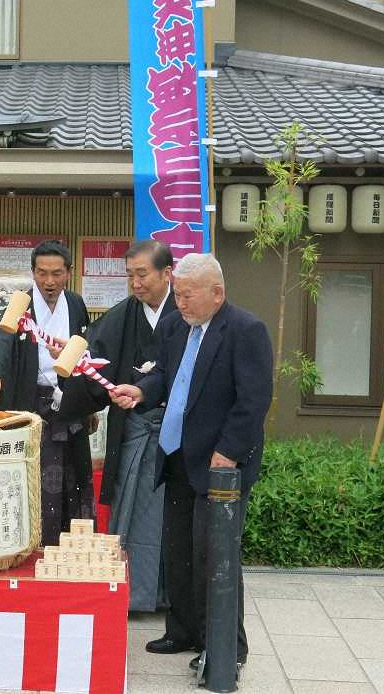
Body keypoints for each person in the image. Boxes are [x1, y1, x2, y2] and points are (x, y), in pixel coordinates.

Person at [110, 252, 273, 668]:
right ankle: (181, 631)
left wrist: (231, 451)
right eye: (177, 295)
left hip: (221, 463)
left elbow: (253, 401)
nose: (179, 303)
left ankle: (225, 646)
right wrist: (142, 391)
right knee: (178, 550)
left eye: (186, 295)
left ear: (216, 294)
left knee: (213, 554)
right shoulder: (174, 328)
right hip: (177, 453)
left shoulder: (245, 330)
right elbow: (165, 375)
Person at [58, 239, 176, 610]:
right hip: (134, 431)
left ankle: (172, 597)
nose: (135, 283)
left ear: (167, 273)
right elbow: (93, 354)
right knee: (131, 509)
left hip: (176, 437)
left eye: (142, 274)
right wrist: (73, 360)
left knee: (173, 515)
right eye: (130, 276)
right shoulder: (124, 314)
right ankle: (135, 593)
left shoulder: (185, 310)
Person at [0, 240, 92, 545]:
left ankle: (73, 546)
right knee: (37, 480)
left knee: (74, 475)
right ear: (32, 272)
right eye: (42, 273)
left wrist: (90, 404)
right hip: (33, 403)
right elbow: (2, 343)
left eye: (56, 273)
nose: (49, 282)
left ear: (69, 273)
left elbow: (85, 352)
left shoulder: (77, 305)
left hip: (68, 401)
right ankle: (36, 545)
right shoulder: (21, 305)